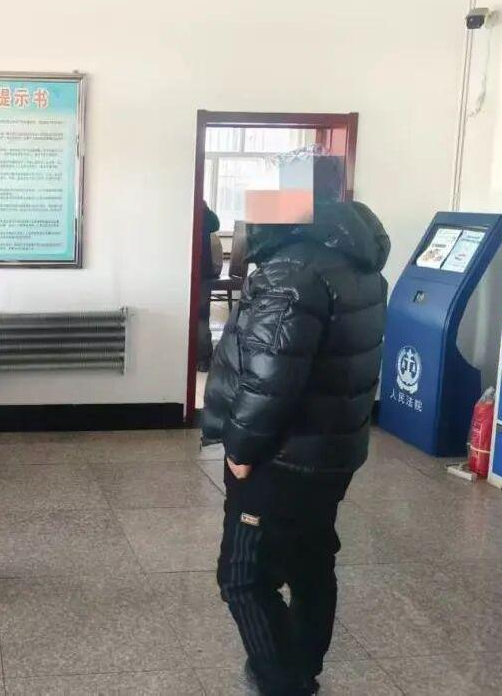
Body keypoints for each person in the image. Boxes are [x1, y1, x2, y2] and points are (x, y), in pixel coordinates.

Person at [202, 196, 389, 695]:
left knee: (243, 577)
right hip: (333, 449)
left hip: (282, 457)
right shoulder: (358, 265)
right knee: (310, 563)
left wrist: (241, 450)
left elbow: (271, 377)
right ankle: (302, 671)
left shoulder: (291, 272)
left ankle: (284, 683)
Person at [197, 199, 223, 371]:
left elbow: (215, 224)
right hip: (200, 272)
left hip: (201, 272)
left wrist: (203, 208)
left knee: (200, 316)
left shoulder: (203, 215)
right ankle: (202, 358)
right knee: (201, 316)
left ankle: (203, 357)